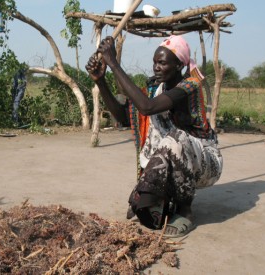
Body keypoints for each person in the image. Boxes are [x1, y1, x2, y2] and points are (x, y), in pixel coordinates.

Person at [85, 35, 223, 237]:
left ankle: (186, 211)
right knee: (155, 135)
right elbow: (124, 116)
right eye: (155, 62)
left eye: (162, 62)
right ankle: (162, 199)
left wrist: (113, 63)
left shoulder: (190, 86)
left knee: (176, 138)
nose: (156, 67)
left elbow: (147, 107)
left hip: (205, 164)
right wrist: (101, 80)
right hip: (175, 157)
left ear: (178, 65)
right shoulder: (154, 89)